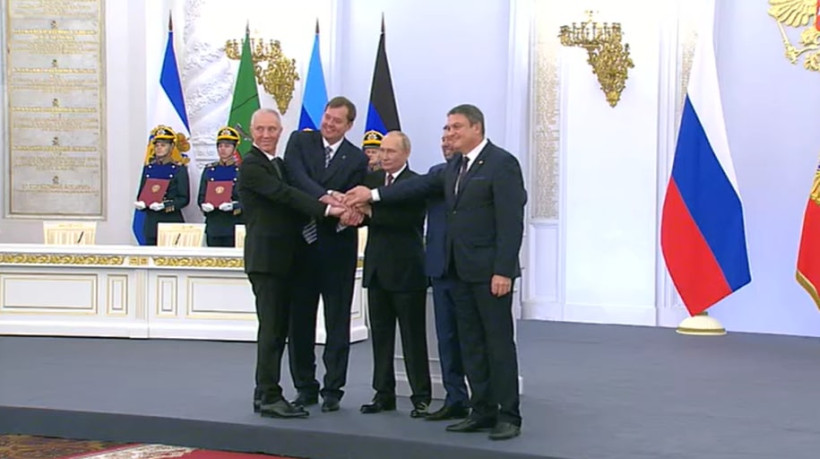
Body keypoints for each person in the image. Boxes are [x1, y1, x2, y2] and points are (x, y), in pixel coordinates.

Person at [345, 104, 527, 440]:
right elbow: (414, 187)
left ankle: (509, 415)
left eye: (456, 127)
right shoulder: (453, 166)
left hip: (489, 274)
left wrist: (503, 270)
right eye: (447, 128)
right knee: (470, 344)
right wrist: (372, 194)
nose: (449, 133)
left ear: (476, 128)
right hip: (457, 271)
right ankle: (482, 410)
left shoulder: (502, 164)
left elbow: (511, 222)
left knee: (497, 344)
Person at [237, 108, 346, 419]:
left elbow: (297, 193)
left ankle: (263, 393)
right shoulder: (252, 166)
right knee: (272, 331)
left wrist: (331, 198)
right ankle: (270, 395)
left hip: (284, 260)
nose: (266, 135)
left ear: (280, 131)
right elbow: (284, 195)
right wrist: (328, 210)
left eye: (272, 129)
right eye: (261, 129)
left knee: (277, 330)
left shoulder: (278, 164)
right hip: (267, 261)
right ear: (252, 131)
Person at [283, 96, 369, 413]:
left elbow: (357, 200)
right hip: (301, 248)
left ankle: (333, 389)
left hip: (338, 249)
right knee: (299, 322)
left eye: (337, 121)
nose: (329, 124)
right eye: (327, 117)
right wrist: (326, 197)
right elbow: (296, 177)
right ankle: (305, 386)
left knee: (337, 323)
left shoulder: (357, 158)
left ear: (349, 125)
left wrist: (348, 208)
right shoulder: (300, 141)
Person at [358, 131, 431, 418]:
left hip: (407, 272)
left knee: (413, 337)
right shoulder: (373, 180)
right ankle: (383, 393)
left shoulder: (416, 183)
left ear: (406, 154)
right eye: (381, 151)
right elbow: (363, 217)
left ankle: (421, 396)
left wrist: (372, 212)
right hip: (377, 270)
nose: (384, 156)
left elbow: (408, 219)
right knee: (381, 337)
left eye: (390, 151)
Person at [423, 132, 469, 422]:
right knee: (447, 338)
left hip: (468, 270)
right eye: (442, 140)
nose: (446, 143)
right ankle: (455, 398)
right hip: (441, 268)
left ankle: (485, 401)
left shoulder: (477, 174)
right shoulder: (436, 174)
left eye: (452, 138)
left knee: (471, 339)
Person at [134, 125, 190, 246]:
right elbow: (141, 195)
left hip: (171, 222)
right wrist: (142, 204)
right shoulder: (149, 169)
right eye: (157, 145)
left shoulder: (179, 169)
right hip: (151, 224)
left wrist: (165, 205)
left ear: (171, 147)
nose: (159, 148)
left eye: (163, 145)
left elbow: (183, 199)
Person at [198, 127, 243, 247]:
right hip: (214, 225)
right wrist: (204, 206)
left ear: (234, 148)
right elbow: (201, 196)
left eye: (227, 146)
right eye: (220, 146)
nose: (223, 149)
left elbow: (248, 200)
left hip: (233, 224)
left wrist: (234, 206)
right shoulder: (209, 170)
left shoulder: (241, 171)